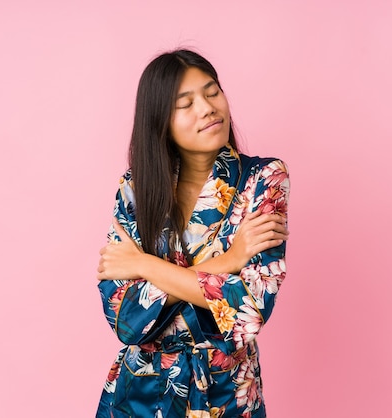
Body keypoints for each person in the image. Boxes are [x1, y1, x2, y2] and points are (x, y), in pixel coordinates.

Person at [95, 49, 290, 418]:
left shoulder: (263, 180)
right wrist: (231, 261)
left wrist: (143, 265)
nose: (206, 108)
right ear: (160, 122)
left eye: (212, 91)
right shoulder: (135, 190)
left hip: (226, 394)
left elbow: (249, 305)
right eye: (185, 104)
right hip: (138, 394)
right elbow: (122, 315)